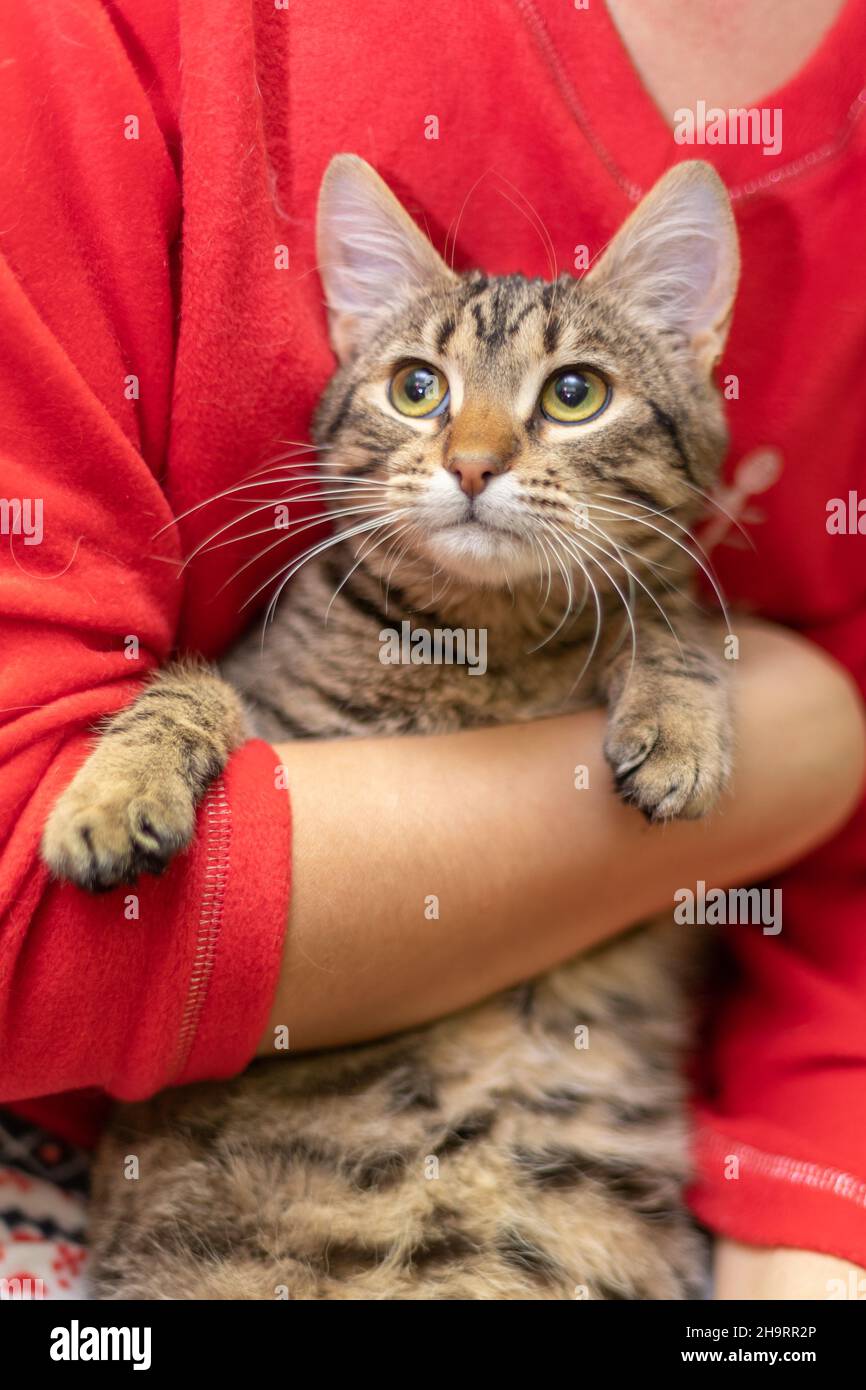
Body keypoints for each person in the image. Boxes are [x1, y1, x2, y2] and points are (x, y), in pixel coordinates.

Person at [1, 0, 865, 1300]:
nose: (473, 457)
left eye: (570, 394)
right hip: (253, 1224)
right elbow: (88, 871)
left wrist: (685, 663)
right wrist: (175, 732)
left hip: (564, 1223)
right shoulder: (332, 609)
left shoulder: (649, 636)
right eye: (416, 387)